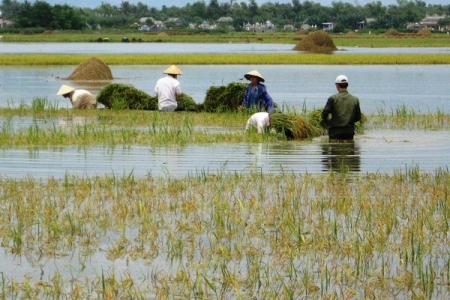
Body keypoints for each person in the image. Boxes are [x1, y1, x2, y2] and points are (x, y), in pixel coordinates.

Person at [321, 75, 361, 140]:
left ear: (337, 86)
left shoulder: (332, 99)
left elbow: (324, 114)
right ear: (347, 85)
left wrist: (328, 122)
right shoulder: (355, 99)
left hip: (335, 131)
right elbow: (358, 117)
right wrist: (349, 121)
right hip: (349, 131)